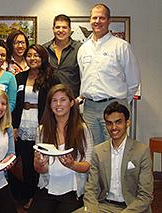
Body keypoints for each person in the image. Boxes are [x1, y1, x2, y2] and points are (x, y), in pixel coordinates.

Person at [77, 3, 141, 145]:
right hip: (90, 109)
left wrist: (120, 104)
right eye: (94, 18)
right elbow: (84, 78)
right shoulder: (83, 48)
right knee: (92, 151)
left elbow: (134, 81)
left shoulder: (121, 46)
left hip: (114, 106)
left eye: (102, 18)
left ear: (109, 20)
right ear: (90, 20)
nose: (97, 21)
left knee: (116, 148)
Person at [29, 84, 93, 213]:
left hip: (72, 190)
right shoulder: (42, 130)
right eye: (54, 100)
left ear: (71, 103)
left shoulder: (82, 129)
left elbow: (88, 165)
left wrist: (72, 164)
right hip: (47, 188)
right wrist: (39, 164)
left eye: (63, 100)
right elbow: (40, 170)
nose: (58, 104)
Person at [9, 44, 60, 209]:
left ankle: (36, 196)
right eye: (29, 55)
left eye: (36, 55)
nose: (33, 58)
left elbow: (56, 101)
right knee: (23, 161)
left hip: (42, 125)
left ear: (43, 57)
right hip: (23, 124)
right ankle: (24, 194)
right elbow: (15, 104)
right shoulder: (19, 78)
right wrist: (14, 126)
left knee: (38, 162)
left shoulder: (51, 77)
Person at [81, 101, 153, 213]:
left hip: (133, 208)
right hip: (104, 206)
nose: (113, 127)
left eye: (118, 122)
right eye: (109, 123)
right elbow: (90, 190)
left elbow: (145, 196)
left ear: (127, 123)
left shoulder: (142, 151)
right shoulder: (98, 151)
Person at [43, 14, 82, 98]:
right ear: (53, 29)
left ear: (70, 29)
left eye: (64, 27)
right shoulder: (44, 49)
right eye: (57, 27)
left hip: (72, 101)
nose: (60, 30)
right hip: (49, 100)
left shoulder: (80, 49)